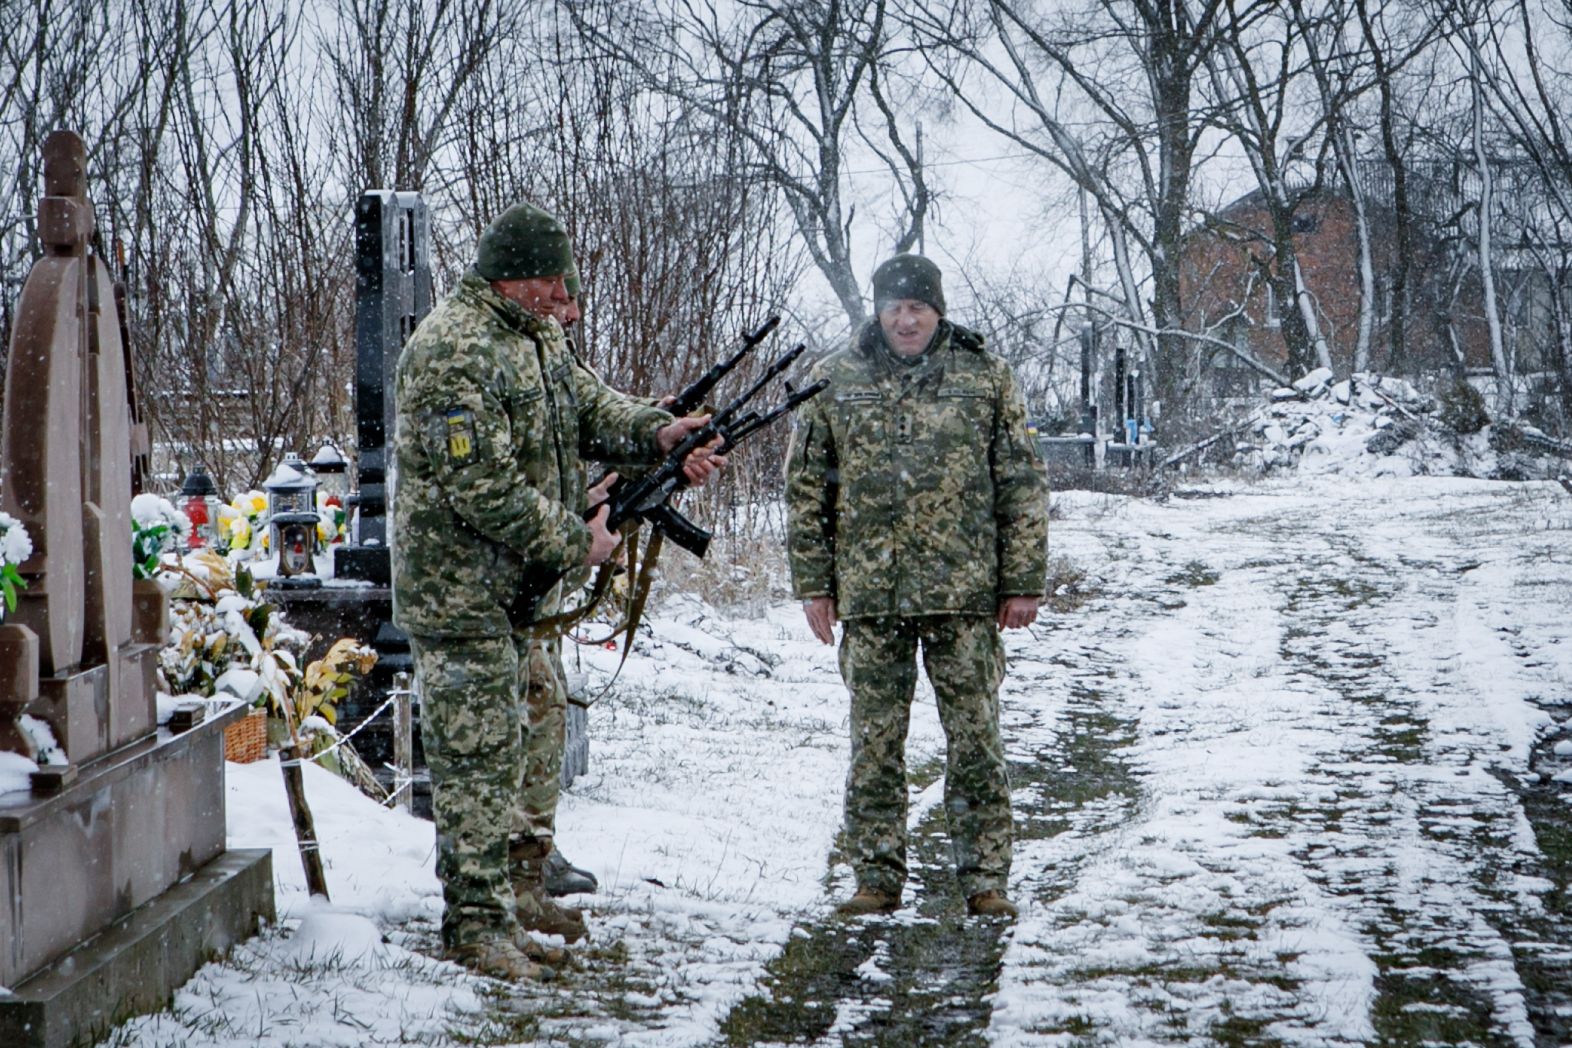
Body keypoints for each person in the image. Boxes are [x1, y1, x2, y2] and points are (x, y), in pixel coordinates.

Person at [392, 201, 722, 979]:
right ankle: (474, 928)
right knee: (475, 762)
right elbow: (481, 486)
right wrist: (583, 541)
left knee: (510, 749)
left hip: (516, 588)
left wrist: (656, 430)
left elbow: (586, 405)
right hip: (461, 592)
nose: (557, 294)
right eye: (546, 281)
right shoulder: (453, 349)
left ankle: (508, 901)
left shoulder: (532, 333)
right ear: (513, 275)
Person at [784, 252, 1049, 919]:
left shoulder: (986, 379)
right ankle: (875, 878)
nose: (907, 321)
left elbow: (1020, 482)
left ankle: (986, 880)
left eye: (919, 309)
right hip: (872, 598)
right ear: (878, 312)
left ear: (939, 312)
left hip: (964, 595)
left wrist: (1023, 581)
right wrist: (814, 585)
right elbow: (806, 490)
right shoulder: (835, 381)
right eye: (896, 308)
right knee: (874, 746)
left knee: (977, 743)